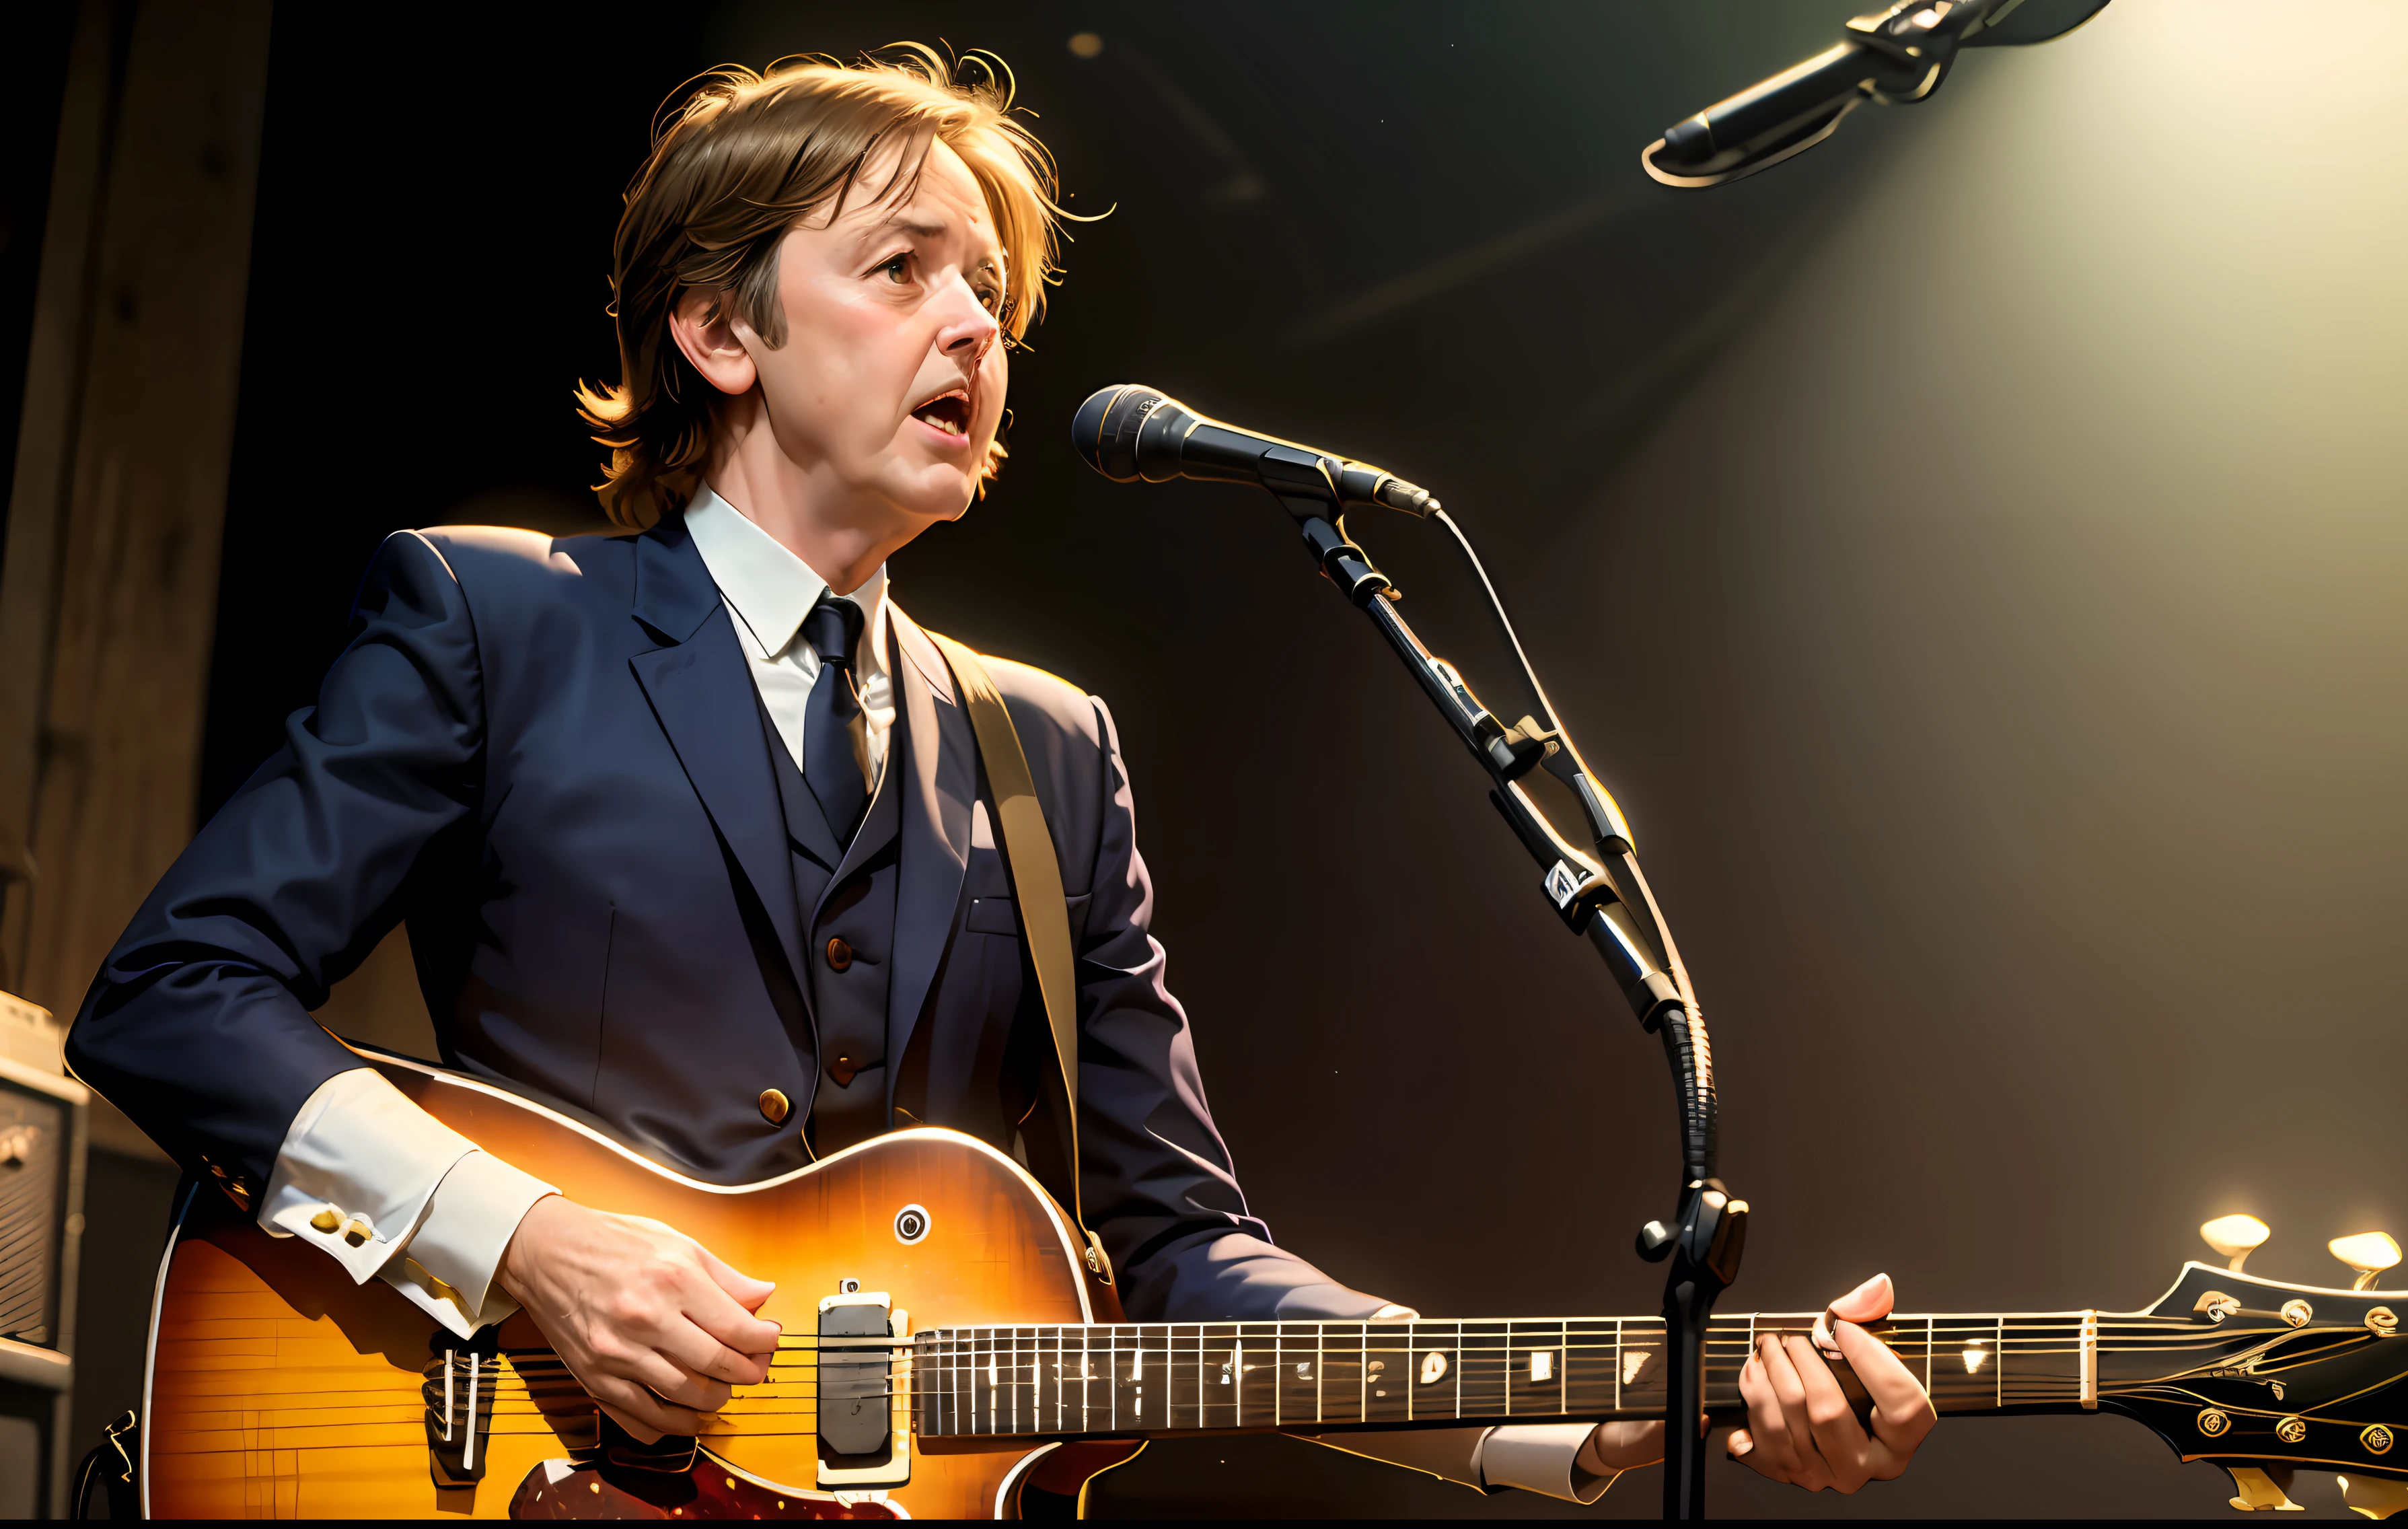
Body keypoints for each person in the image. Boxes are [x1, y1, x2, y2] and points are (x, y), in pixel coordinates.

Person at [66, 47, 1933, 1507]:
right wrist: (527, 1244)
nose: (976, 327)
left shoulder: (1046, 747)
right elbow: (170, 1000)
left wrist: (1597, 1413)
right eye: (902, 271)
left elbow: (1189, 1254)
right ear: (721, 332)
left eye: (995, 297)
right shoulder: (497, 616)